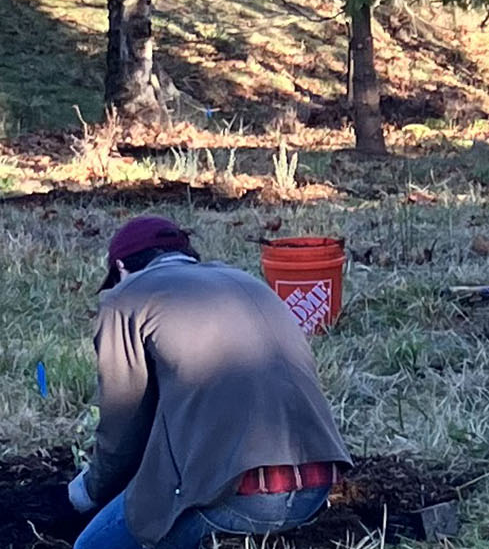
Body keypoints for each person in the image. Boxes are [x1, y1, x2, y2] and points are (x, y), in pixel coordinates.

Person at [67, 217, 353, 549]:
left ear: (120, 267)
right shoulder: (249, 283)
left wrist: (89, 490)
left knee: (92, 545)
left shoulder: (125, 297)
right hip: (315, 490)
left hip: (242, 498)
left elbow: (123, 428)